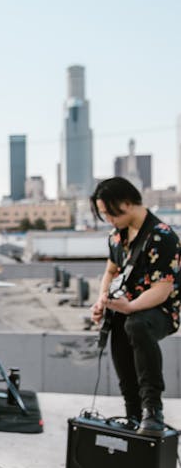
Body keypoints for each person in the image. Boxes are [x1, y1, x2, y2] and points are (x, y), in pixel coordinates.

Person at [90, 177, 180, 436]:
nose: (108, 219)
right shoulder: (116, 237)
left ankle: (152, 408)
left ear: (126, 204)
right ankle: (133, 412)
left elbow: (162, 290)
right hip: (127, 307)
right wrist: (102, 300)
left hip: (161, 311)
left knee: (136, 323)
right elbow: (110, 271)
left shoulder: (162, 236)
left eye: (109, 213)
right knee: (118, 325)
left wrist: (129, 307)